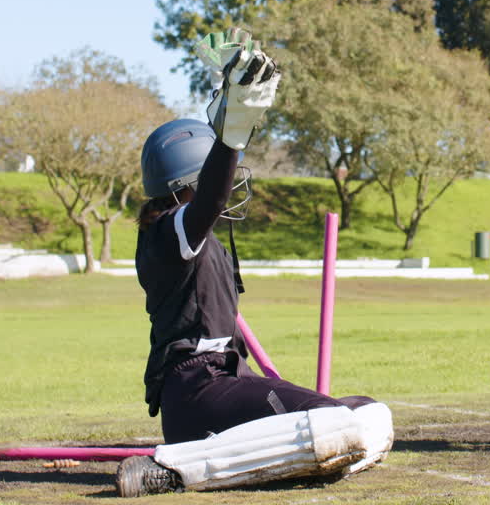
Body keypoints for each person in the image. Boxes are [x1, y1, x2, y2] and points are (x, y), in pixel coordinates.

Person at [116, 31, 393, 497]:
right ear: (187, 185)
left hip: (226, 380)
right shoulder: (167, 235)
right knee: (339, 428)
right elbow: (210, 199)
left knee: (369, 415)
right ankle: (177, 471)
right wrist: (233, 132)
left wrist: (228, 111)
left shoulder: (198, 242)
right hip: (197, 391)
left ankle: (256, 459)